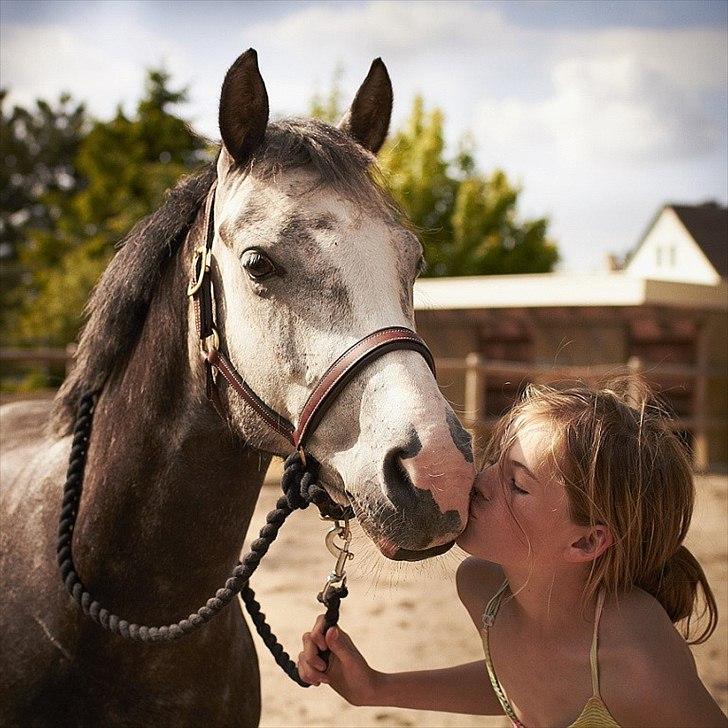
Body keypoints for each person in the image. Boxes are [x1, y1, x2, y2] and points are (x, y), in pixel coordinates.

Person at [298, 382, 727, 726]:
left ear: (586, 542)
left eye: (517, 485)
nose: (481, 481)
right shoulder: (483, 590)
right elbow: (522, 685)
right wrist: (375, 688)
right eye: (495, 461)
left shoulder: (636, 655)